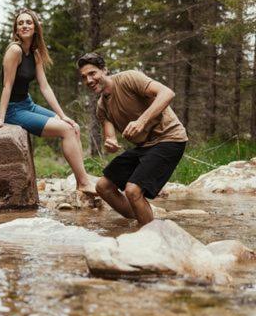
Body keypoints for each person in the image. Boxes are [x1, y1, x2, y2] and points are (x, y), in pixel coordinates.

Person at [0, 8, 96, 196]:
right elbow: (7, 86)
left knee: (72, 125)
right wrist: (1, 118)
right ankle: (84, 183)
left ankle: (81, 180)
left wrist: (62, 115)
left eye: (28, 22)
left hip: (28, 103)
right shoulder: (14, 50)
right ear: (16, 30)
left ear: (35, 27)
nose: (24, 25)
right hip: (14, 110)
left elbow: (45, 87)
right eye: (20, 23)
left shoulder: (35, 53)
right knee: (66, 130)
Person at [77, 52, 188, 225]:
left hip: (170, 138)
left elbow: (167, 93)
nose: (89, 80)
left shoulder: (129, 78)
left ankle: (150, 236)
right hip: (144, 146)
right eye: (84, 77)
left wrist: (142, 121)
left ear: (104, 70)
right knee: (103, 187)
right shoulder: (101, 107)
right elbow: (110, 138)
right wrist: (111, 144)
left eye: (93, 73)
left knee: (133, 190)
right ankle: (143, 219)